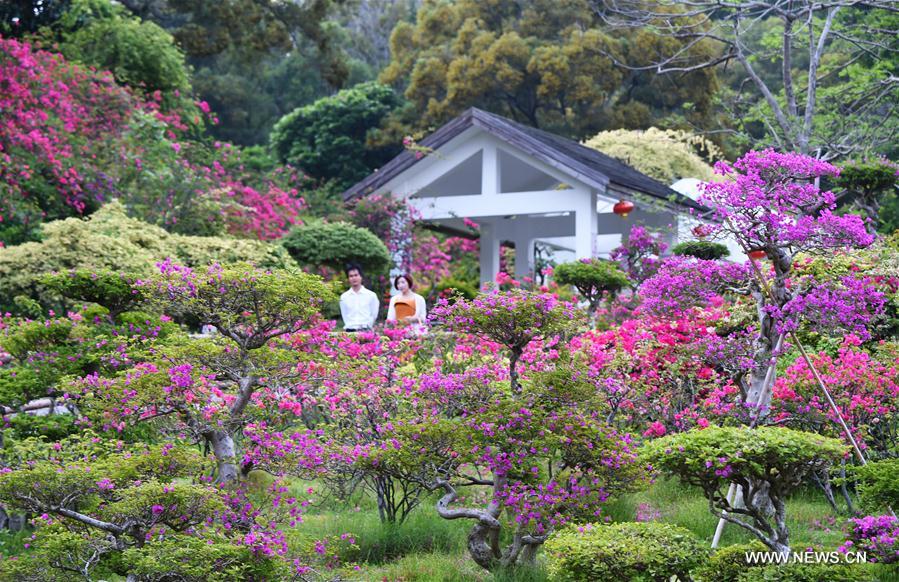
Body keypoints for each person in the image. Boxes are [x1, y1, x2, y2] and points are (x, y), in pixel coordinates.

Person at [339, 264, 380, 332]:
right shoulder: (344, 297)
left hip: (366, 330)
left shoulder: (371, 295)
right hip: (349, 331)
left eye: (356, 275)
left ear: (361, 277)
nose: (354, 278)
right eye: (351, 276)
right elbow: (344, 315)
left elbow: (374, 314)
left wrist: (368, 326)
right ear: (348, 279)